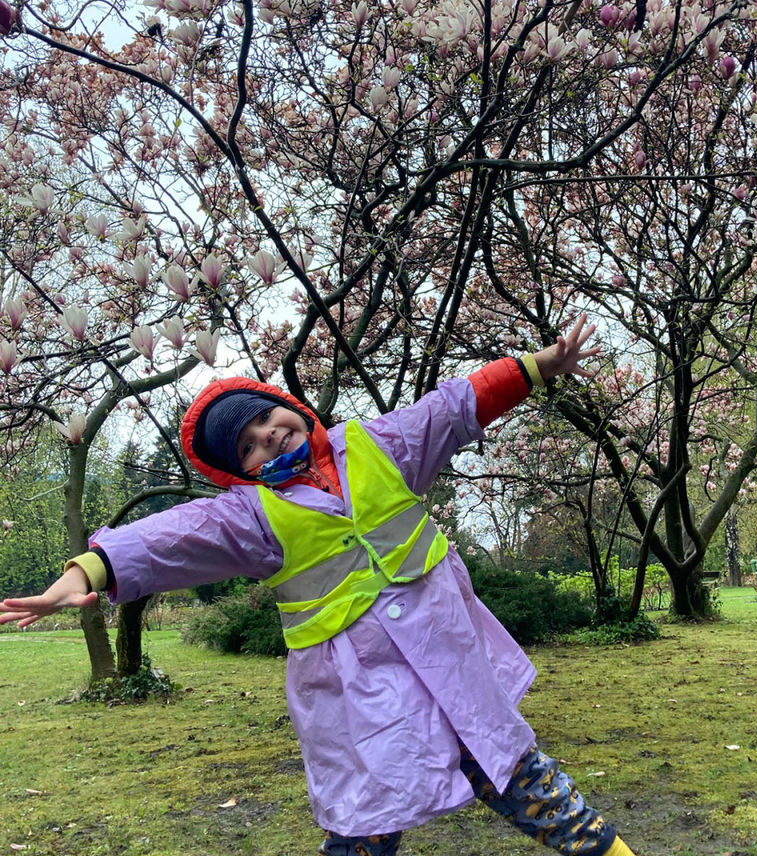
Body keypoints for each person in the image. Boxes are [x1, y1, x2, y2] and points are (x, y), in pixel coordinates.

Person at [1, 316, 636, 856]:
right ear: (239, 473)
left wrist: (537, 368)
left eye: (264, 420)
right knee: (366, 817)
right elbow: (167, 537)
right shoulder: (250, 518)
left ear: (288, 407)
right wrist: (81, 574)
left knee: (516, 770)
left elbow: (449, 407)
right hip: (359, 690)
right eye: (248, 447)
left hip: (448, 654)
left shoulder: (374, 445)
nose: (267, 436)